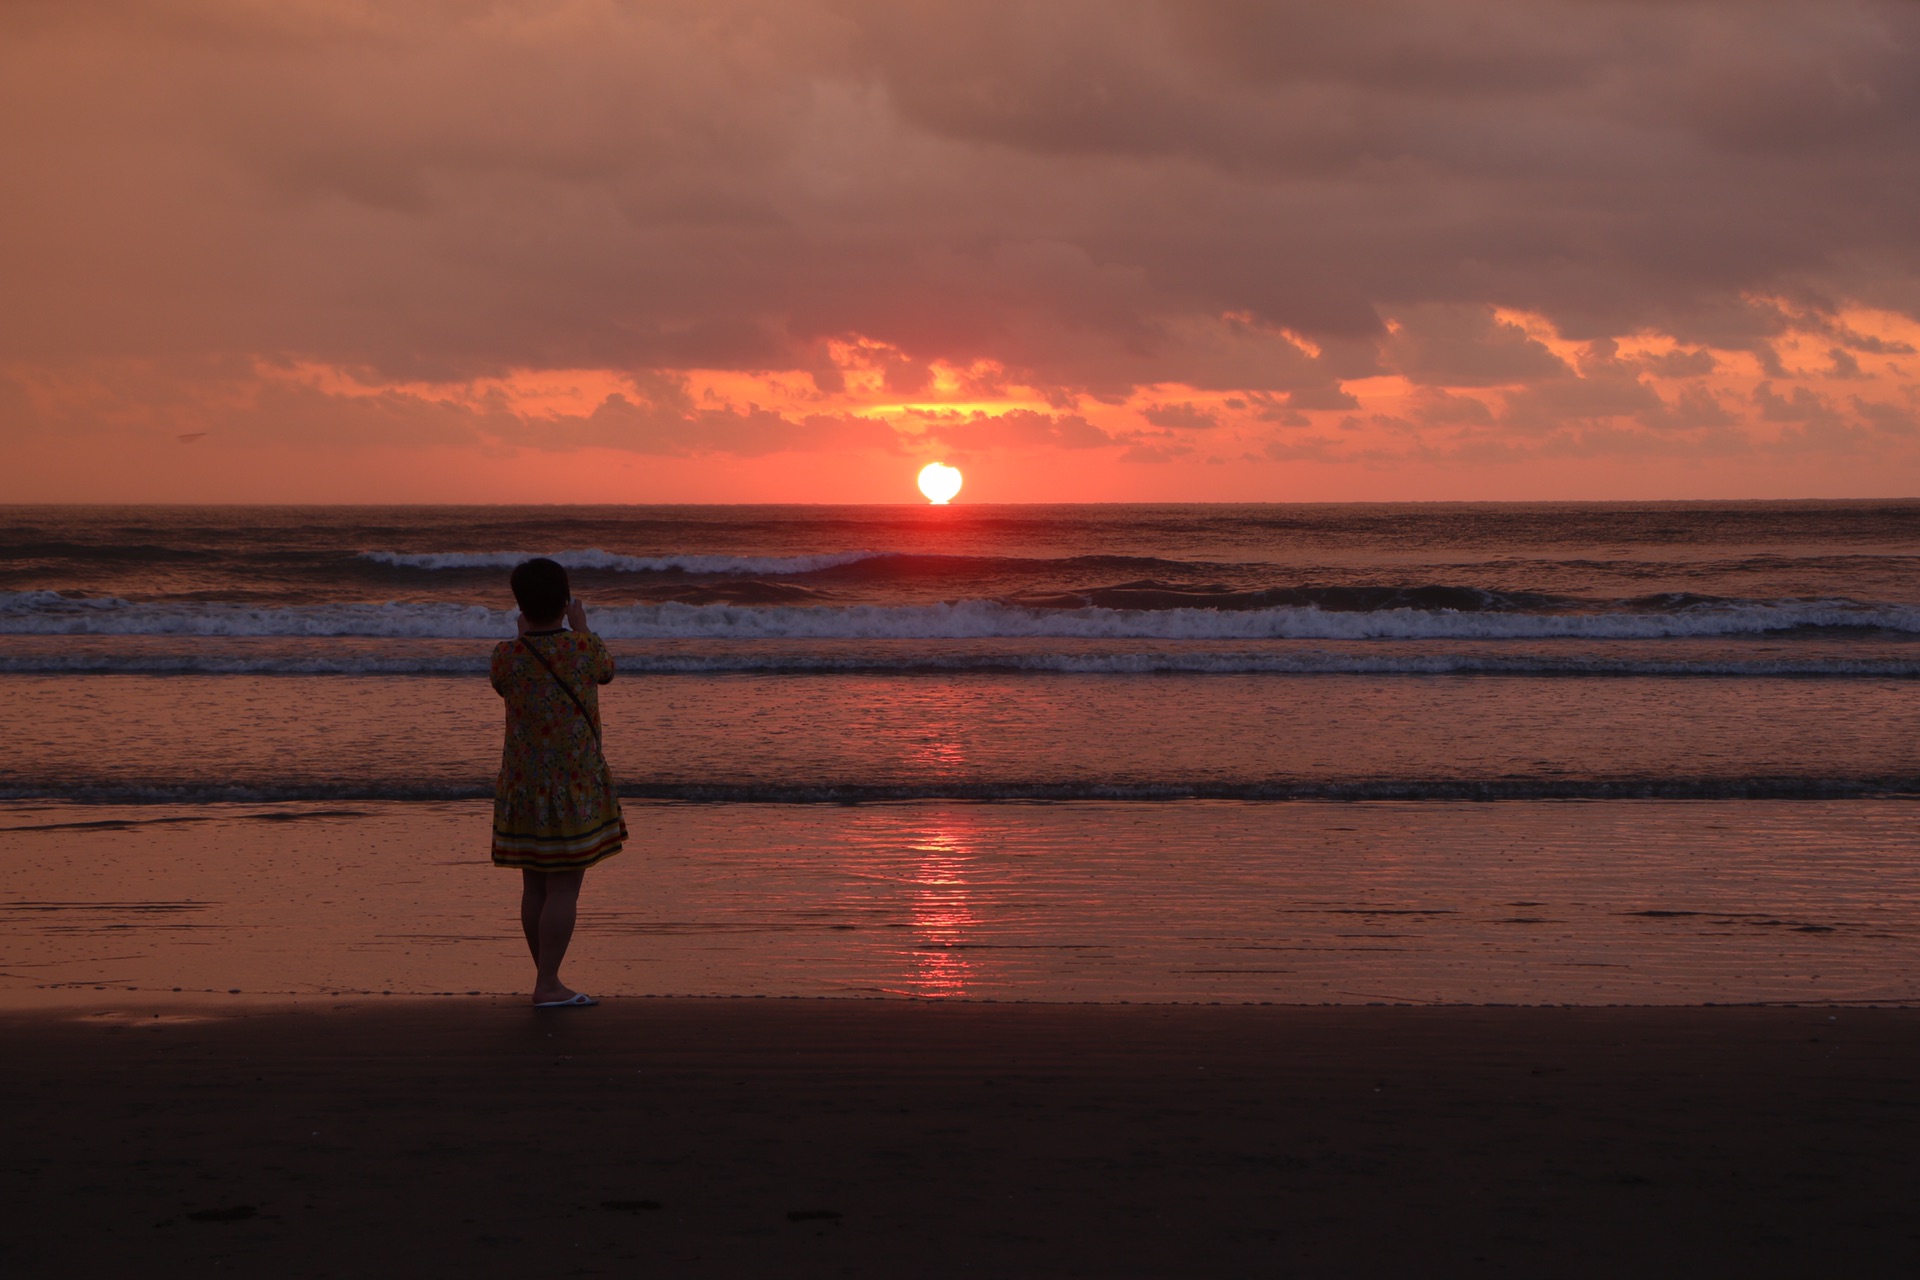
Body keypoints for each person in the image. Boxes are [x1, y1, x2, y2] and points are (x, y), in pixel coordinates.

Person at [490, 557, 627, 1008]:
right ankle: (547, 984)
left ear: (520, 606)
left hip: (524, 786)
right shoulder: (583, 649)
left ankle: (546, 979)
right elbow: (607, 671)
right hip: (573, 786)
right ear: (565, 601)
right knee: (564, 887)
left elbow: (503, 683)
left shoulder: (507, 655)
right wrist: (582, 627)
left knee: (535, 886)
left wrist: (525, 634)